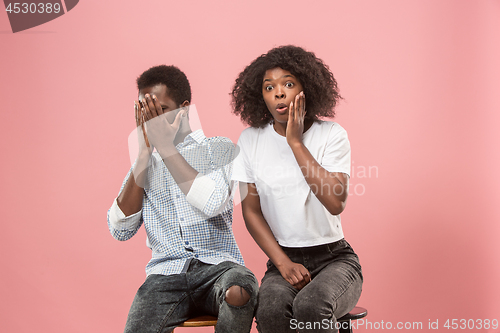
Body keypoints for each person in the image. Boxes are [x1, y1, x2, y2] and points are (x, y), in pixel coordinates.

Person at [107, 65, 258, 333]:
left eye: (160, 110)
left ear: (184, 109)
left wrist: (165, 147)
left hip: (218, 269)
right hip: (165, 276)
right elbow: (119, 229)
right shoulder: (144, 164)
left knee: (242, 287)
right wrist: (143, 155)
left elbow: (212, 202)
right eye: (145, 111)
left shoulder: (219, 149)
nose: (151, 121)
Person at [231, 46, 363, 333]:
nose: (279, 93)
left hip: (334, 259)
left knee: (311, 307)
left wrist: (296, 143)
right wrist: (283, 263)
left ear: (307, 88)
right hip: (283, 259)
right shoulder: (250, 140)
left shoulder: (332, 135)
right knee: (270, 310)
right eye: (269, 87)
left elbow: (335, 202)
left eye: (288, 84)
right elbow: (250, 211)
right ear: (260, 96)